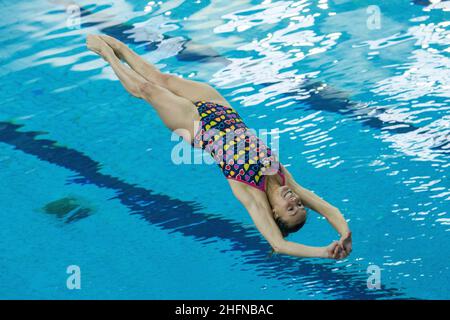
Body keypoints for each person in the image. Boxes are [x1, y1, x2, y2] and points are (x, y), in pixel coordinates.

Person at [86, 34, 352, 260]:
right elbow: (329, 209)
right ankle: (121, 47)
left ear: (274, 213)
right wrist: (344, 233)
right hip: (222, 110)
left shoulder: (254, 198)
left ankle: (107, 55)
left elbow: (278, 245)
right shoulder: (285, 180)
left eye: (291, 209)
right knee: (161, 79)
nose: (295, 201)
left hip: (196, 127)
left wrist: (323, 252)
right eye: (300, 206)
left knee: (148, 89)